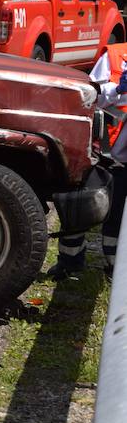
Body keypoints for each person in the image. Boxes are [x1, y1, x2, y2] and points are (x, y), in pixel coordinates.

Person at [48, 43, 126, 279]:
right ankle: (70, 262)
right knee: (79, 208)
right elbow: (87, 97)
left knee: (118, 221)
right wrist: (116, 90)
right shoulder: (114, 57)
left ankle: (115, 269)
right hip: (104, 155)